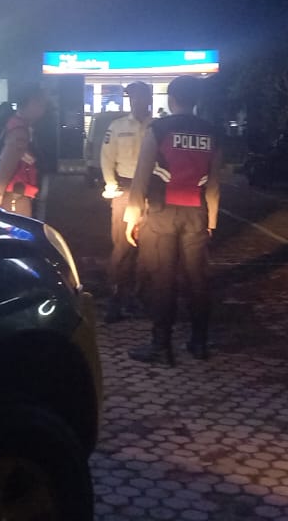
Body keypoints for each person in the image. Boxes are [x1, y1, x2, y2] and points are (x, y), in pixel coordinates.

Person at [123, 75, 221, 364]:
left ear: (171, 99)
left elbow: (141, 177)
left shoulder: (159, 129)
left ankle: (161, 345)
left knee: (162, 279)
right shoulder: (212, 133)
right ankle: (199, 342)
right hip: (197, 213)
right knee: (197, 279)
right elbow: (214, 184)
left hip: (162, 212)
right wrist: (212, 221)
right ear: (196, 100)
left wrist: (132, 216)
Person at [100, 82, 153, 323]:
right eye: (133, 97)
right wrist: (111, 185)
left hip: (152, 189)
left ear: (149, 99)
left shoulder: (157, 127)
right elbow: (106, 158)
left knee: (149, 248)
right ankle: (116, 297)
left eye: (141, 97)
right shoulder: (117, 126)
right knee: (122, 247)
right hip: (125, 189)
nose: (136, 101)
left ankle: (140, 297)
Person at [0, 84, 48, 217]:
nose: (43, 108)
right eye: (40, 103)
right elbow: (7, 164)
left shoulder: (17, 125)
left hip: (13, 194)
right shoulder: (19, 131)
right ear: (30, 103)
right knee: (17, 229)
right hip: (14, 197)